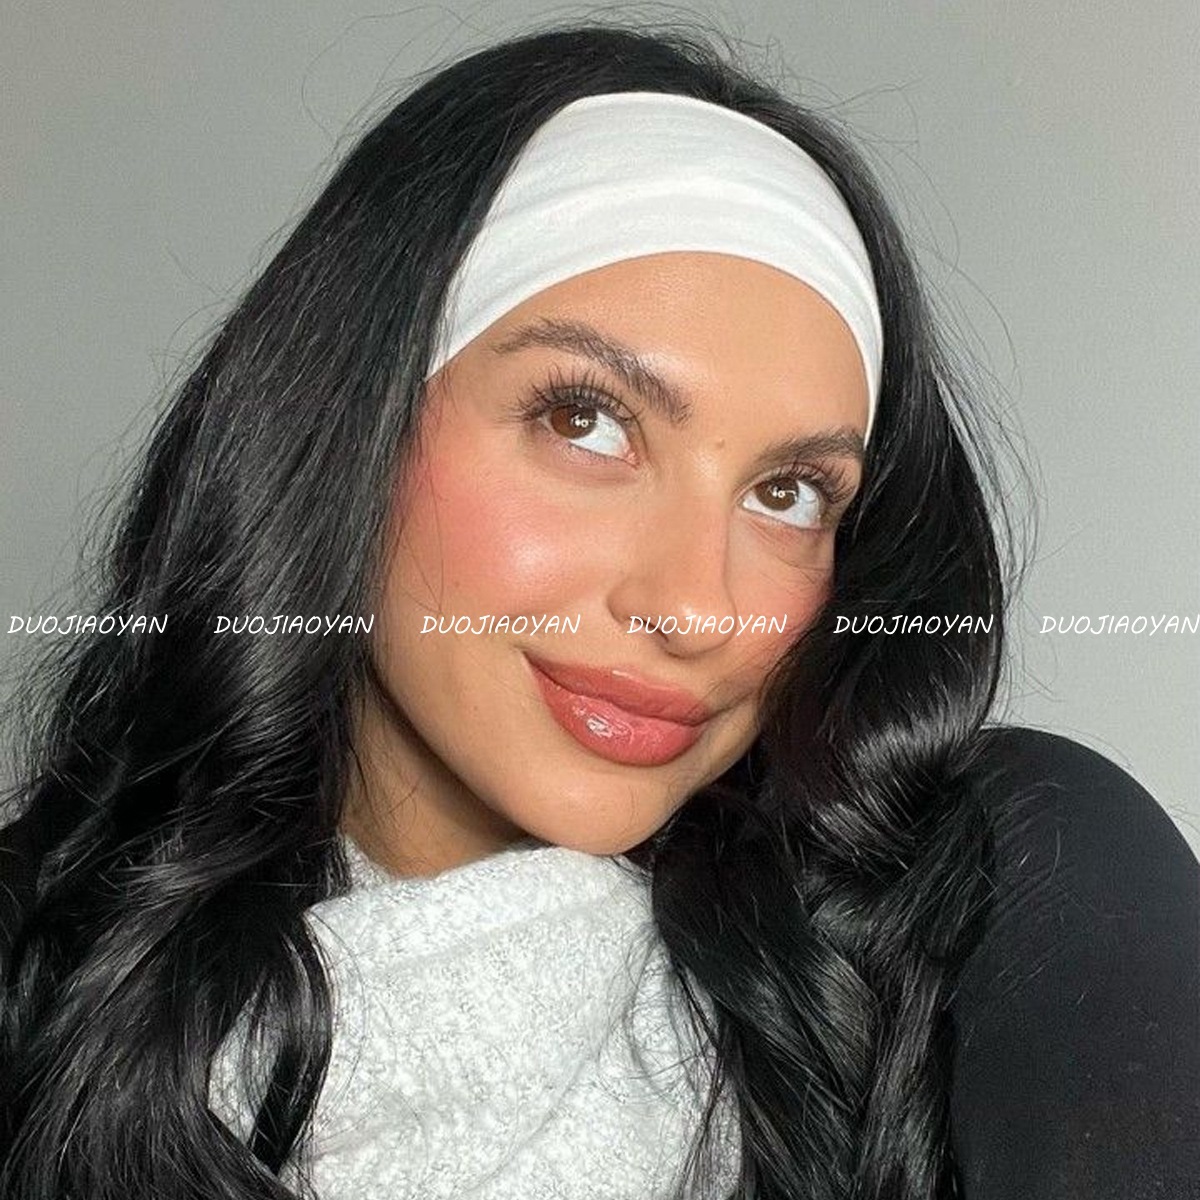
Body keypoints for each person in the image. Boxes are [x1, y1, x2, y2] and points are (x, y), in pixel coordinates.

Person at [0, 20, 1196, 1200]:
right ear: (344, 423)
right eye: (585, 421)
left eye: (788, 493)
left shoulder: (1000, 891)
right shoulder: (37, 989)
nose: (695, 607)